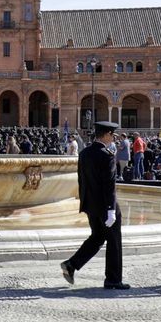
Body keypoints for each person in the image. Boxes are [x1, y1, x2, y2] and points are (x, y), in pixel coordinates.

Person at [61, 120, 130, 290]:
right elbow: (109, 184)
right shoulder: (106, 155)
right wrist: (111, 209)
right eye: (112, 135)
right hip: (106, 207)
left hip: (91, 204)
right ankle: (113, 279)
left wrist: (85, 202)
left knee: (97, 237)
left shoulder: (84, 153)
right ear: (106, 135)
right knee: (114, 241)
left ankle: (72, 264)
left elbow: (81, 180)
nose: (113, 138)